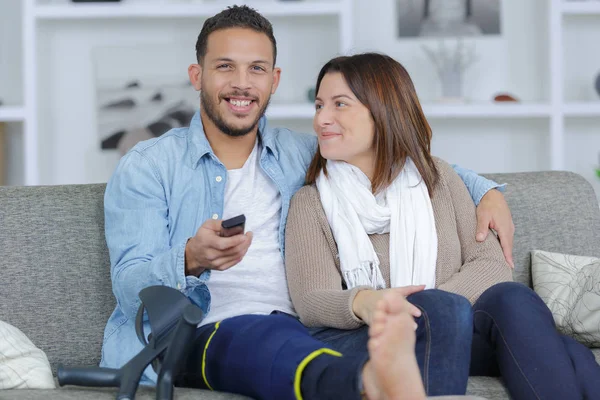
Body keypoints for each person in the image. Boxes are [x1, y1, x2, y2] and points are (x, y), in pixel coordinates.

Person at [100, 5, 515, 399]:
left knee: (435, 315)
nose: (242, 83)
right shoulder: (148, 166)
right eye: (225, 66)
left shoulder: (300, 152)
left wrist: (486, 190)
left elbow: (398, 156)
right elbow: (129, 286)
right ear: (197, 75)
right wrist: (189, 257)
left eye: (256, 69)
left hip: (309, 333)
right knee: (265, 334)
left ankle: (381, 379)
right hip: (201, 335)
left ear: (274, 80)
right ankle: (369, 381)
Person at [284, 52, 600, 400]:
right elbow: (312, 301)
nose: (321, 119)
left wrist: (433, 308)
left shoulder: (438, 180)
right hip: (362, 339)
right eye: (318, 106)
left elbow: (492, 267)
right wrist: (380, 304)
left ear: (384, 110)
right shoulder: (311, 203)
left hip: (449, 330)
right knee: (564, 352)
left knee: (516, 301)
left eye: (339, 104)